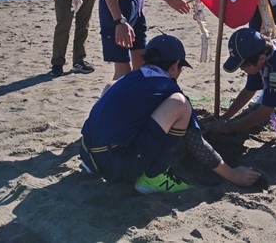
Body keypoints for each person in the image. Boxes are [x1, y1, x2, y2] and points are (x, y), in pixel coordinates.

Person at [79, 34, 262, 194]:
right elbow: (195, 143)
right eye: (181, 68)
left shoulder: (131, 77)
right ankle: (154, 177)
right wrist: (232, 174)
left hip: (88, 154)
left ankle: (90, 164)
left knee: (111, 86)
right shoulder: (168, 88)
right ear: (174, 65)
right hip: (117, 166)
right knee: (180, 105)